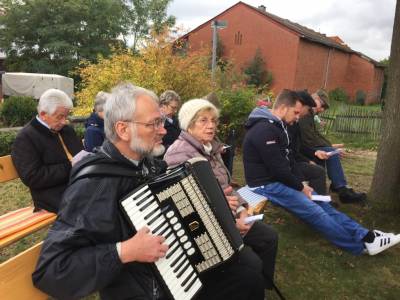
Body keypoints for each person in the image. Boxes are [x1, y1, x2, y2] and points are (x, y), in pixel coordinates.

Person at [32, 84, 265, 300]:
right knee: (245, 276)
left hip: (176, 268)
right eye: (154, 124)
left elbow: (170, 213)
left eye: (162, 122)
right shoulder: (95, 185)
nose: (163, 131)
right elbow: (51, 270)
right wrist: (124, 251)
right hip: (140, 289)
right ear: (123, 129)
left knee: (247, 272)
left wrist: (208, 205)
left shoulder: (147, 164)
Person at [242, 89, 400, 256]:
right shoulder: (264, 130)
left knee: (322, 204)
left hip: (277, 181)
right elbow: (279, 169)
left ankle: (367, 236)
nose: (297, 117)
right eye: (296, 112)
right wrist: (300, 187)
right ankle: (358, 247)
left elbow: (289, 160)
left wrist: (301, 185)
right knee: (315, 211)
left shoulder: (277, 127)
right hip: (265, 185)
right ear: (283, 108)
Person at [164, 99, 279, 290]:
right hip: (207, 228)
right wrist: (230, 220)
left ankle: (263, 285)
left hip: (231, 215)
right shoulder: (178, 154)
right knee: (251, 264)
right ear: (189, 123)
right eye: (203, 120)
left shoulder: (211, 148)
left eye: (214, 120)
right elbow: (183, 206)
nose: (211, 126)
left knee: (269, 238)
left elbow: (227, 185)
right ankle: (252, 285)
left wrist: (242, 210)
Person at [11, 89, 83, 213]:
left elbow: (80, 156)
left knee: (109, 190)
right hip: (51, 194)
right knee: (91, 204)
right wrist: (71, 166)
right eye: (60, 117)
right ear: (43, 114)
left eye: (66, 116)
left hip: (77, 184)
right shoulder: (26, 138)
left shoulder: (67, 130)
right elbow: (33, 177)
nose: (64, 121)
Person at [298, 89, 366, 203]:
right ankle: (340, 189)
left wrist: (330, 146)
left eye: (324, 107)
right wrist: (331, 147)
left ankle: (335, 188)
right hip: (301, 150)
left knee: (330, 152)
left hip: (304, 147)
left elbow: (315, 136)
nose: (322, 109)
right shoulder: (305, 114)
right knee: (330, 153)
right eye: (323, 105)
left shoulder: (310, 114)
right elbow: (309, 139)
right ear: (316, 99)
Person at [287, 90, 327, 195]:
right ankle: (318, 201)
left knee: (319, 160)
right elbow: (290, 151)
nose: (308, 111)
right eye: (309, 109)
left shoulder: (295, 122)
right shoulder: (289, 122)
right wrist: (307, 161)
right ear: (302, 106)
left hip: (294, 159)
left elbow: (299, 146)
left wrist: (315, 152)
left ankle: (319, 197)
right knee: (318, 171)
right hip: (288, 164)